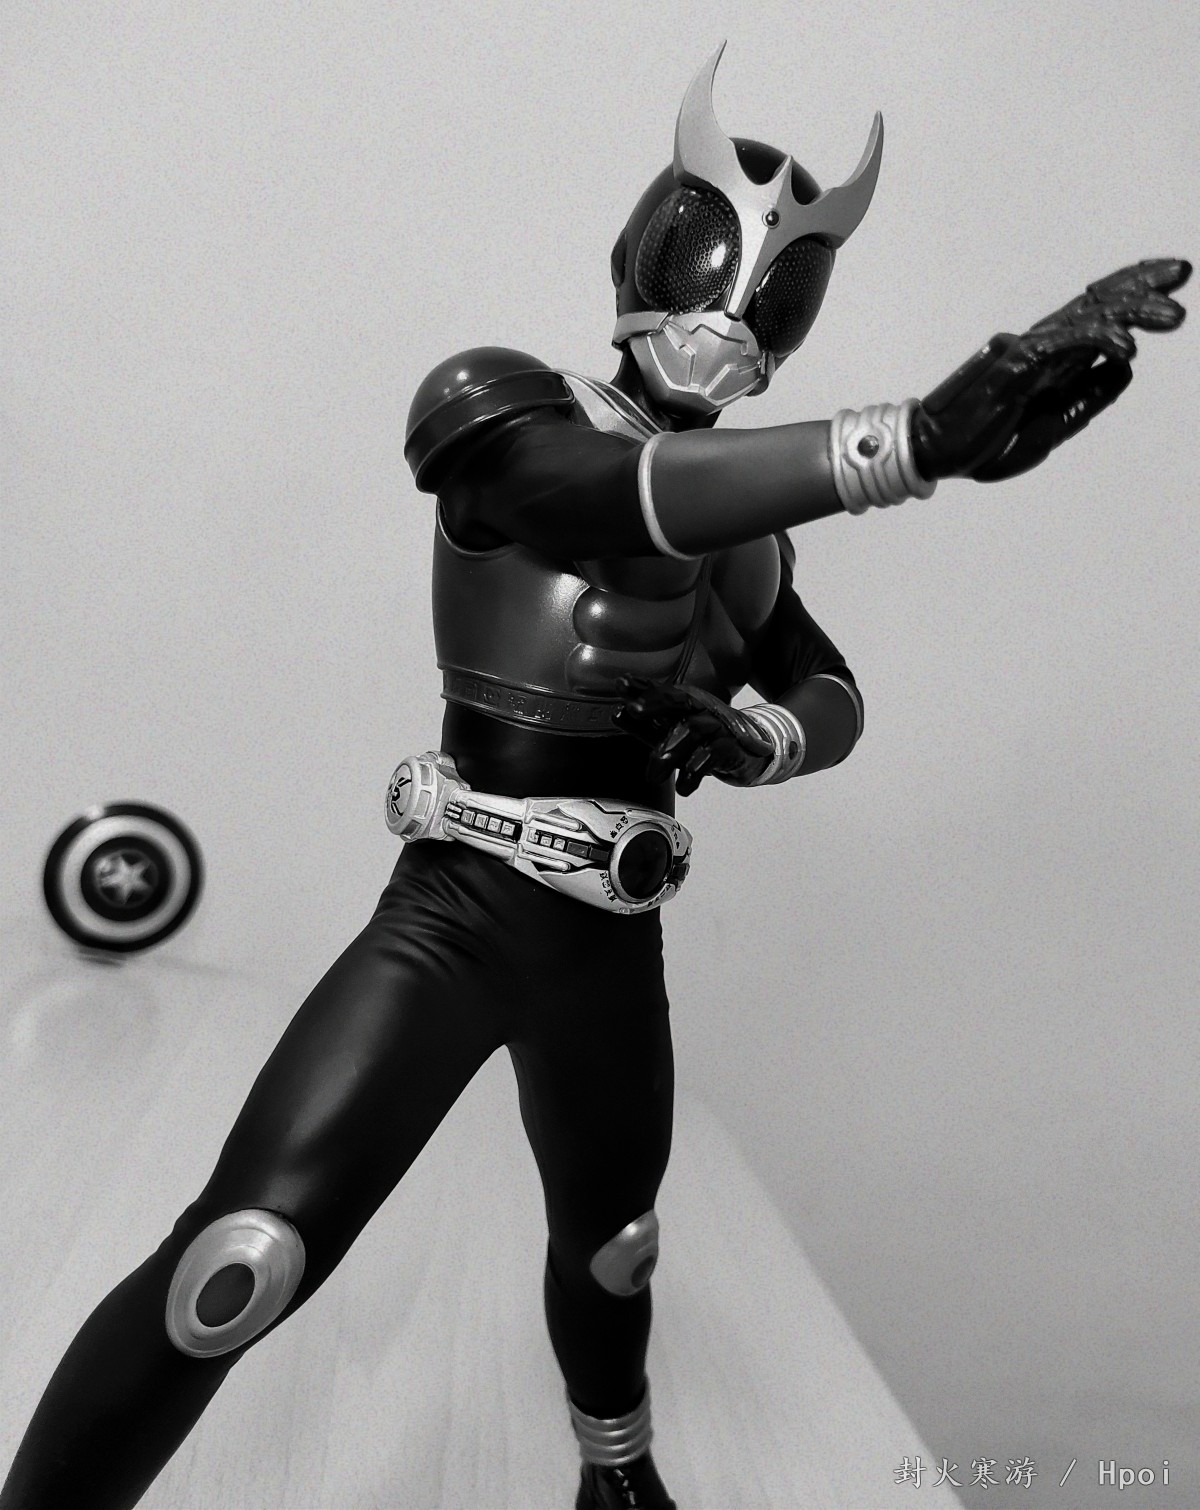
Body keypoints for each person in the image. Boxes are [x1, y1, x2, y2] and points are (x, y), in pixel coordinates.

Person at [1, 44, 1187, 1510]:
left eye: (777, 292)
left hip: (609, 936)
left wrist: (762, 739)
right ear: (641, 248)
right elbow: (598, 498)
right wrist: (903, 446)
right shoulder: (500, 404)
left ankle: (615, 1481)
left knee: (617, 1245)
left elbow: (826, 686)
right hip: (456, 913)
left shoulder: (751, 528)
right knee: (245, 1257)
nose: (729, 311)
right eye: (707, 256)